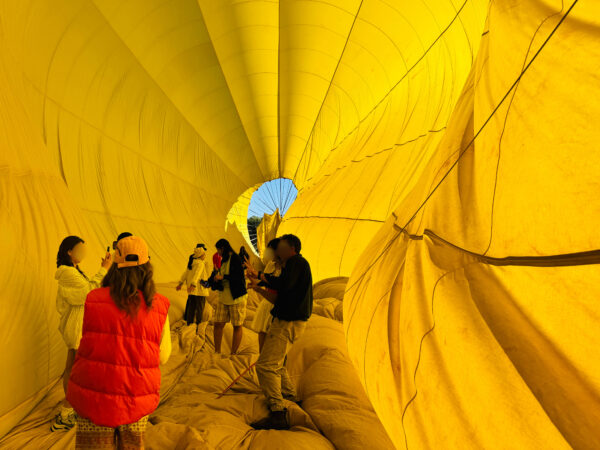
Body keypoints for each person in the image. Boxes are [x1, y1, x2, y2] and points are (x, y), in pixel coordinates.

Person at [67, 236, 171, 449]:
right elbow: (163, 355)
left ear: (114, 266)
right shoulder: (158, 305)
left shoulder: (93, 298)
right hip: (136, 400)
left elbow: (80, 341)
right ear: (147, 267)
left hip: (93, 400)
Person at [246, 234, 313, 430]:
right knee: (278, 364)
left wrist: (260, 276)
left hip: (287, 323)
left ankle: (278, 412)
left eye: (281, 247)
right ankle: (291, 397)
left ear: (291, 248)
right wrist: (259, 288)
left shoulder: (296, 263)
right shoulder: (293, 268)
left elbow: (281, 284)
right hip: (290, 322)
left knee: (265, 366)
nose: (278, 251)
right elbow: (279, 297)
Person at [52, 236, 112, 432]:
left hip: (78, 325)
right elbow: (88, 292)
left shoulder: (75, 271)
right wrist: (104, 269)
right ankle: (66, 412)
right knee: (79, 371)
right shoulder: (67, 272)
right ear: (69, 251)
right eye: (80, 249)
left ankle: (70, 409)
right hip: (77, 326)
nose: (84, 253)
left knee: (72, 366)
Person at [212, 239, 247, 356]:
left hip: (235, 298)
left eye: (218, 250)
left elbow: (238, 277)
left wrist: (223, 277)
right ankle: (217, 352)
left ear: (222, 248)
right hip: (223, 297)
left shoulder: (235, 258)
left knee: (237, 325)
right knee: (218, 324)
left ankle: (233, 353)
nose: (218, 253)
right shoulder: (224, 259)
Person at [250, 238, 281, 351]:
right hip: (266, 303)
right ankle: (261, 356)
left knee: (275, 338)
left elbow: (278, 285)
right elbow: (264, 282)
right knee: (262, 332)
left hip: (278, 305)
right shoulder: (270, 266)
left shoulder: (287, 268)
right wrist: (252, 278)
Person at [177, 244, 210, 326]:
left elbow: (185, 273)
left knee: (191, 307)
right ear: (201, 255)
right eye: (204, 254)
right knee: (200, 308)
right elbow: (197, 274)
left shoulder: (192, 263)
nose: (205, 256)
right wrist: (193, 284)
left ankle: (189, 322)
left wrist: (180, 283)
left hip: (192, 290)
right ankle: (199, 324)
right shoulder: (201, 264)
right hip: (199, 290)